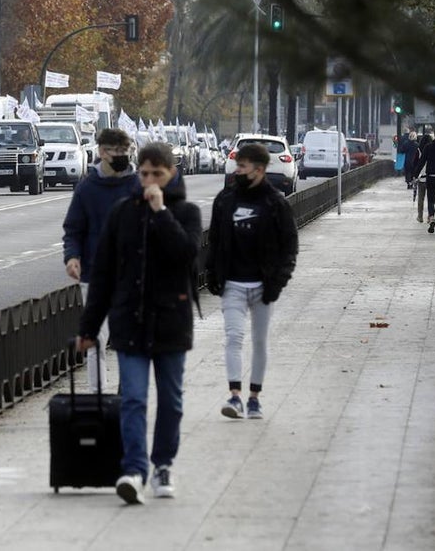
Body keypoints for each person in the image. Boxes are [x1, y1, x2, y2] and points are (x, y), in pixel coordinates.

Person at [76, 142, 202, 505]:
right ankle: (133, 468)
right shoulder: (122, 213)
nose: (148, 181)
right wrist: (89, 329)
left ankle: (163, 465)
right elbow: (102, 275)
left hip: (171, 322)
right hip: (130, 321)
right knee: (132, 398)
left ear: (171, 174)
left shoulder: (187, 212)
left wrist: (161, 213)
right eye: (144, 173)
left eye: (156, 174)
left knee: (171, 401)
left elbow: (186, 255)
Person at [205, 142, 299, 421]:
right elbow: (215, 240)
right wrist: (212, 273)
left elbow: (289, 246)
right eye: (237, 166)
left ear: (259, 170)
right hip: (232, 283)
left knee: (259, 341)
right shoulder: (225, 200)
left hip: (262, 285)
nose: (238, 171)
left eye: (243, 167)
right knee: (233, 337)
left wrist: (278, 282)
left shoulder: (275, 203)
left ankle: (254, 398)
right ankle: (234, 396)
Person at [62, 128, 139, 391]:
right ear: (102, 152)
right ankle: (98, 395)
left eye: (126, 151)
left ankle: (126, 393)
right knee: (96, 337)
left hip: (129, 275)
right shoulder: (87, 187)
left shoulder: (136, 185)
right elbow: (73, 228)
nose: (123, 156)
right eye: (117, 151)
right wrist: (72, 257)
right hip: (94, 274)